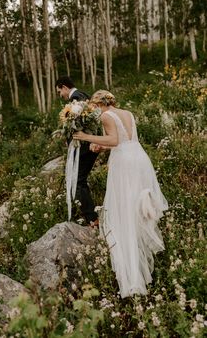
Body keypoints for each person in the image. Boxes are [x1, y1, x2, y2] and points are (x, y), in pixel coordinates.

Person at [73, 90, 168, 298]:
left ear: (99, 105)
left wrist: (85, 136)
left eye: (94, 108)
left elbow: (115, 140)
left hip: (124, 164)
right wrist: (101, 145)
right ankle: (143, 253)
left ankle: (133, 271)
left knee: (123, 210)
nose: (95, 113)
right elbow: (124, 139)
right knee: (136, 206)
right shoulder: (128, 113)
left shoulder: (106, 115)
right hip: (139, 158)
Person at [55, 76, 99, 227]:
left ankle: (92, 219)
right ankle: (91, 216)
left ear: (64, 87)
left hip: (85, 146)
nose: (60, 95)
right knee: (80, 180)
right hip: (88, 144)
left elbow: (82, 121)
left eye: (59, 91)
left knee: (78, 180)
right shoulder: (83, 95)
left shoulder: (76, 98)